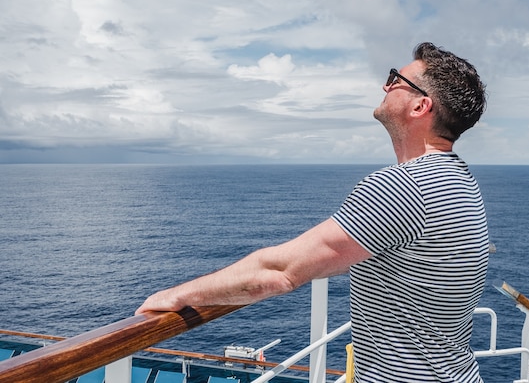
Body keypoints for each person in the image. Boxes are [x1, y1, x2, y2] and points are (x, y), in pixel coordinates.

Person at [136, 42, 490, 383]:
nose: (386, 85)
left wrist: (176, 295)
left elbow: (279, 272)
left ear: (420, 106)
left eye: (397, 80)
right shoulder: (459, 180)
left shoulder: (405, 186)